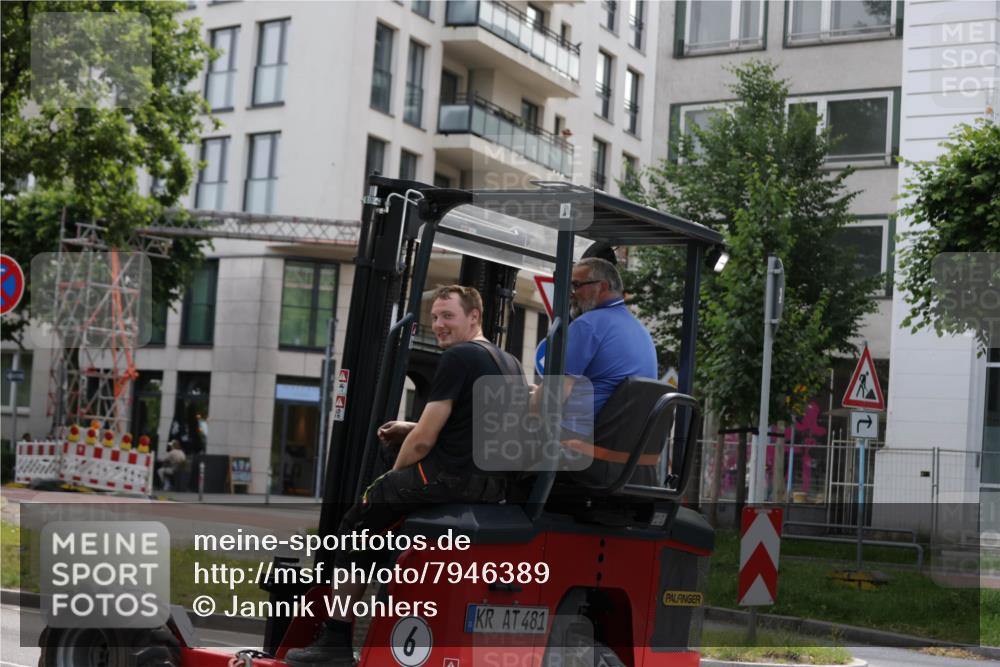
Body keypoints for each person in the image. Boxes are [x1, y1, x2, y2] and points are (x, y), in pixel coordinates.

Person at [286, 285, 521, 667]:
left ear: (474, 316)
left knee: (357, 522)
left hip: (451, 475)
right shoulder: (507, 361)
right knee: (383, 519)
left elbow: (424, 441)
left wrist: (391, 481)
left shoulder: (459, 357)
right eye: (435, 317)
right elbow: (476, 424)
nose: (439, 325)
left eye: (448, 316)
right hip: (489, 483)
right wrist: (409, 426)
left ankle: (335, 639)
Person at [543, 257, 658, 438]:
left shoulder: (587, 325)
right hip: (626, 447)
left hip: (579, 442)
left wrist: (529, 400)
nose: (571, 293)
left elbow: (553, 398)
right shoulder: (641, 331)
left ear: (602, 287)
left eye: (576, 285)